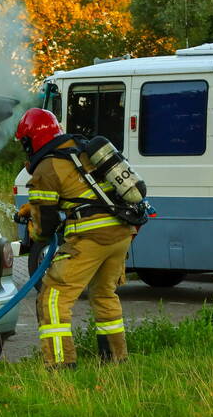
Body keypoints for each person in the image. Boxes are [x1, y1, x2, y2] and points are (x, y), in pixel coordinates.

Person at [13, 108, 135, 369]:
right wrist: (31, 209)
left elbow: (46, 225)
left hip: (92, 236)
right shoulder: (79, 148)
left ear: (32, 139)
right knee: (104, 294)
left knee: (52, 298)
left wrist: (33, 229)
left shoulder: (46, 166)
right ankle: (115, 358)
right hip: (122, 231)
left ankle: (60, 364)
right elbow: (77, 191)